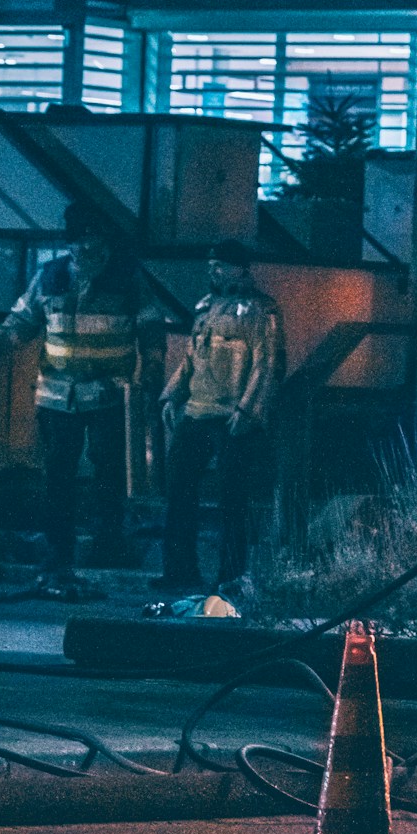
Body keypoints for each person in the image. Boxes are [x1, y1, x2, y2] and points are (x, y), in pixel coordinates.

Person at [0, 202, 162, 596]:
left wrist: (152, 369)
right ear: (72, 242)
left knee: (107, 476)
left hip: (108, 396)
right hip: (57, 397)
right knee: (57, 480)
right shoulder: (51, 276)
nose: (86, 251)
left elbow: (150, 327)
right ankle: (57, 559)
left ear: (106, 242)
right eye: (79, 243)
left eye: (93, 243)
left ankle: (107, 549)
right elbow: (24, 320)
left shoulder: (127, 277)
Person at [158, 238, 284, 593]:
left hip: (232, 418)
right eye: (211, 264)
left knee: (233, 499)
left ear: (240, 268)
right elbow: (190, 358)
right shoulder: (205, 306)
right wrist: (172, 396)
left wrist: (249, 409)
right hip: (198, 412)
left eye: (221, 264)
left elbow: (267, 363)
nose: (213, 269)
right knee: (179, 490)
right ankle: (179, 570)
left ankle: (230, 576)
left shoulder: (261, 310)